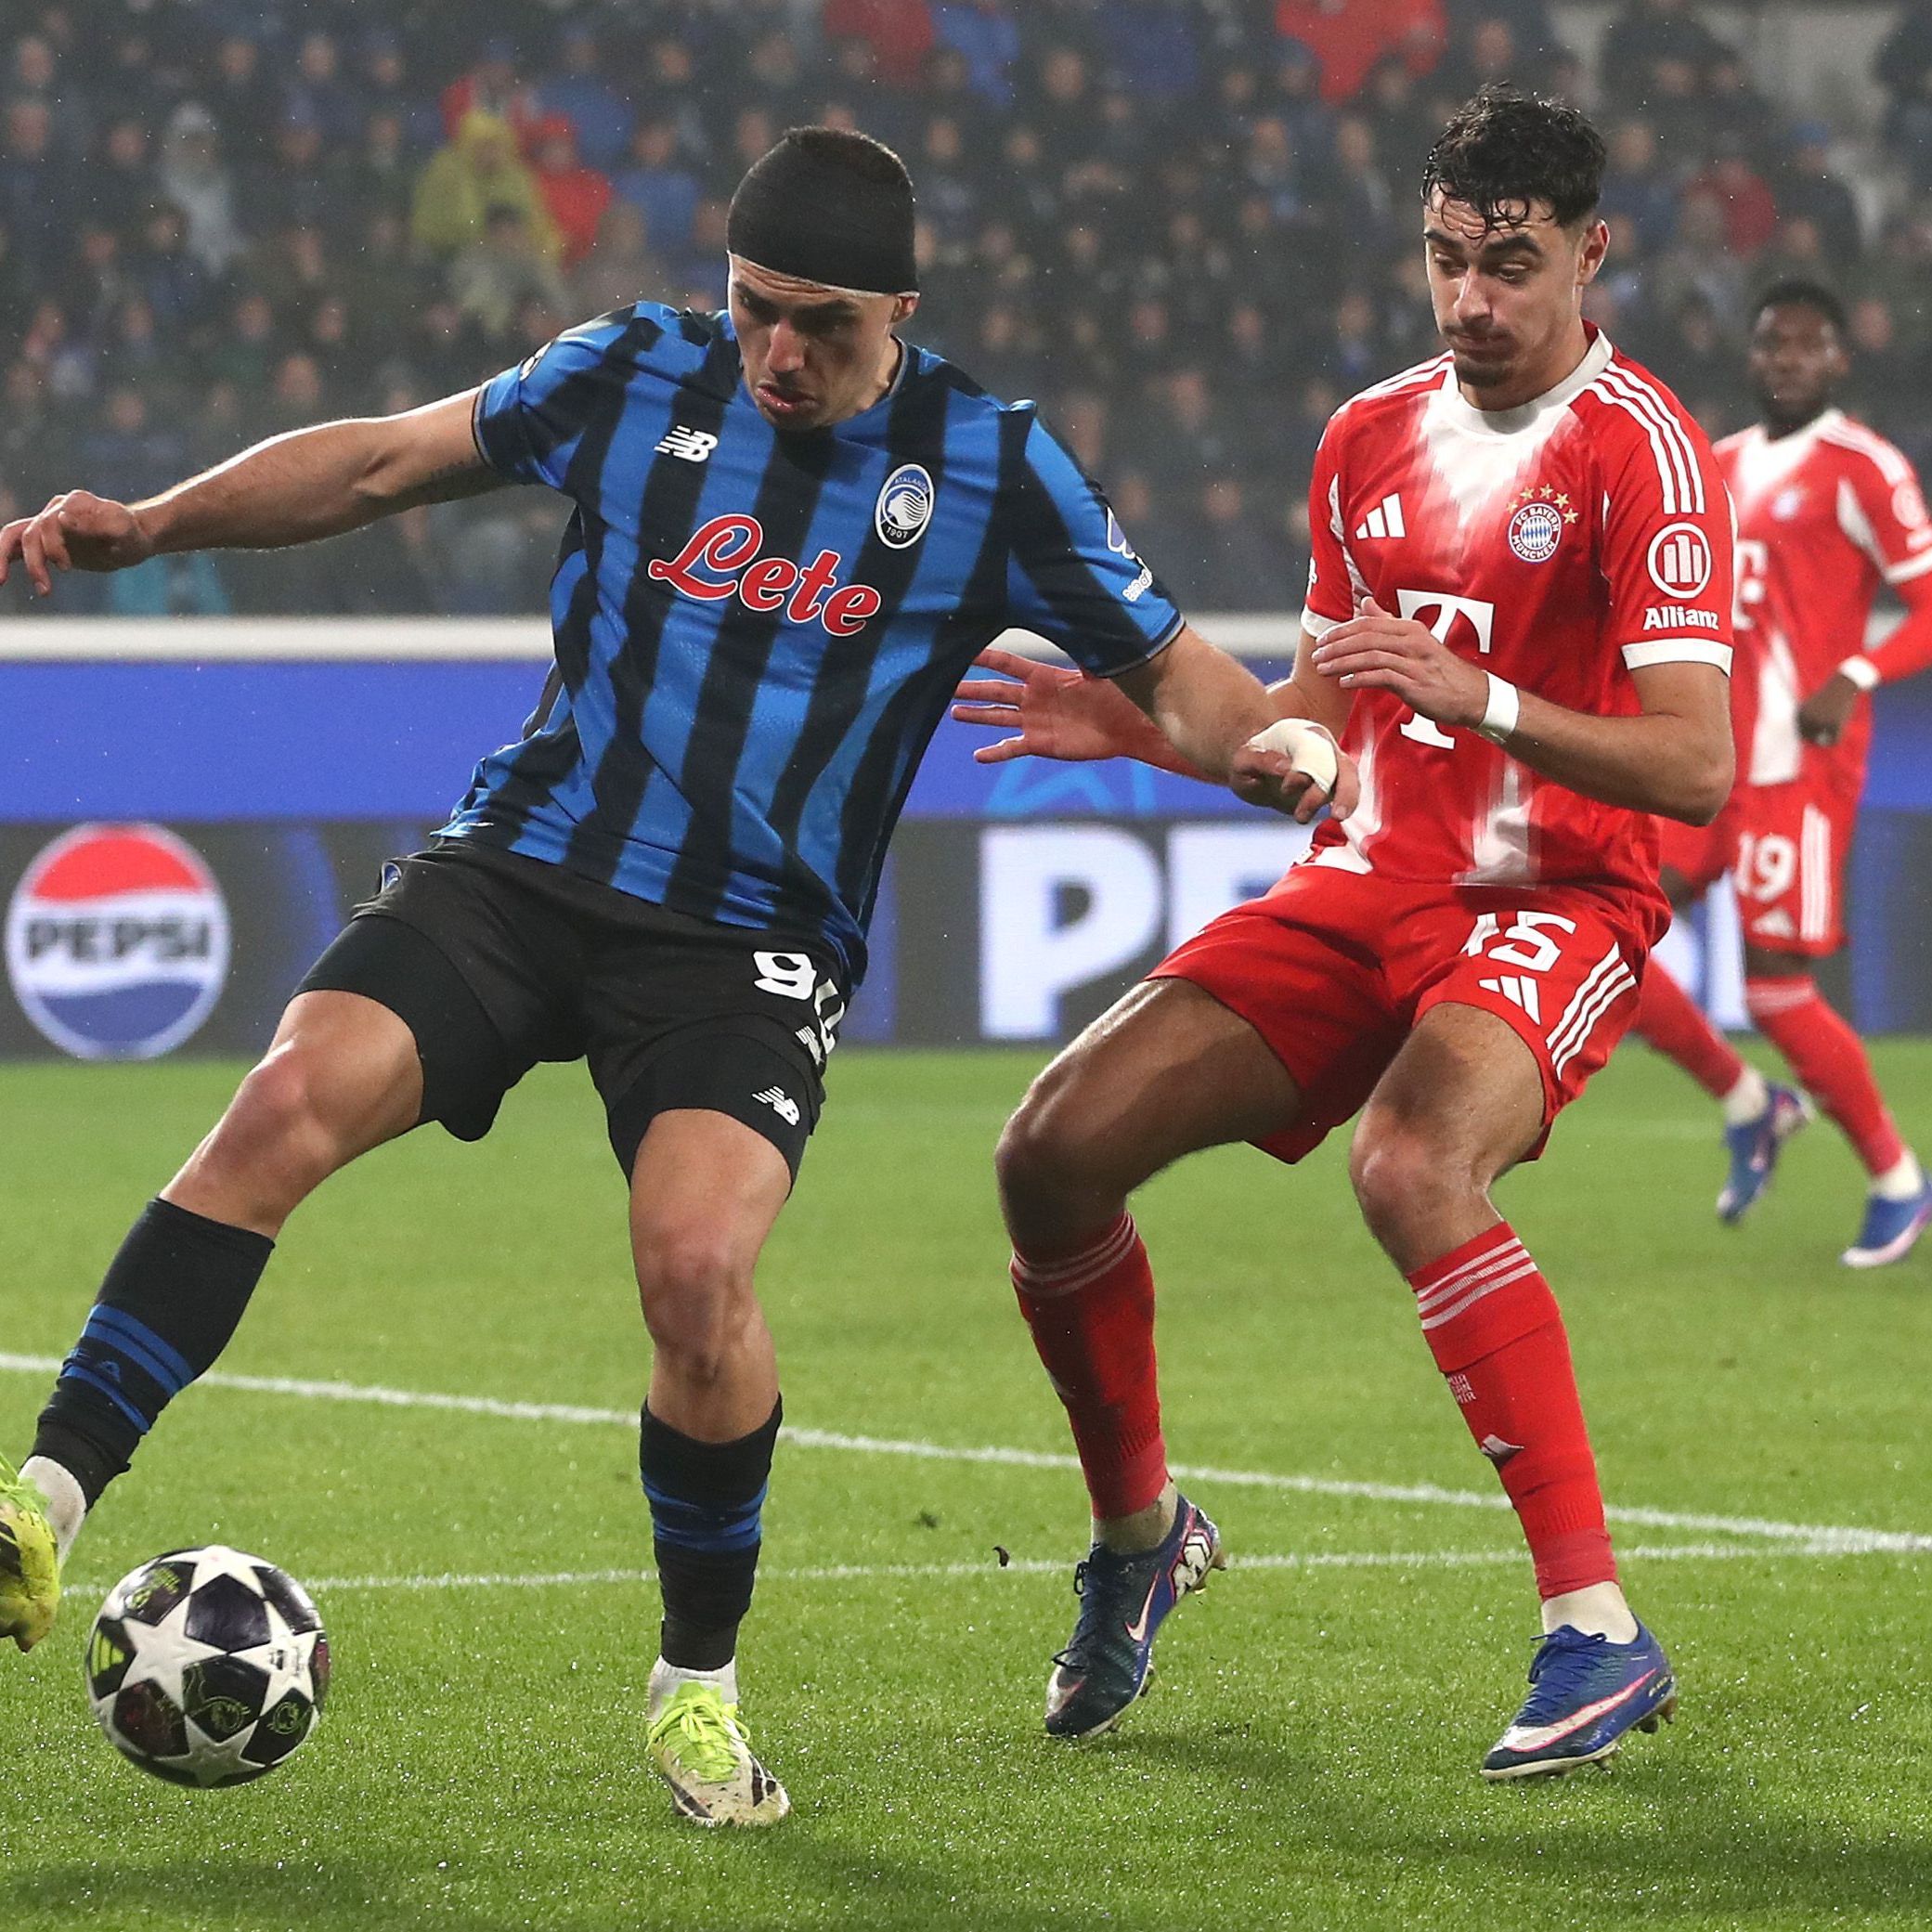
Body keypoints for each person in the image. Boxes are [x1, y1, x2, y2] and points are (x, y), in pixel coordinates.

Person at [0, 128, 1332, 1826]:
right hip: (528, 863)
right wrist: (149, 526)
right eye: (756, 306)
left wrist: (1276, 750)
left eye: (822, 324)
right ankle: (42, 1500)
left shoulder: (990, 466)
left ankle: (694, 1684)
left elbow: (1180, 673)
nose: (778, 351)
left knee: (697, 1272)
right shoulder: (632, 368)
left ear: (901, 314)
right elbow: (382, 465)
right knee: (282, 1105)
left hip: (746, 942)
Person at [950, 86, 1733, 1778]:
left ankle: (1596, 1628)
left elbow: (1695, 764)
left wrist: (1484, 697)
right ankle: (1141, 1535)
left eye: (1509, 266)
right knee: (1051, 1152)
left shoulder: (1642, 452)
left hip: (1552, 893)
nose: (1471, 299)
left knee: (1411, 1161)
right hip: (1368, 879)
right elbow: (1316, 729)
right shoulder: (1366, 435)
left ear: (1591, 256)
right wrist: (1150, 729)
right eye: (1446, 259)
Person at [1628, 280, 1932, 1263]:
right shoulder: (1714, 466)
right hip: (1704, 762)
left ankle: (1897, 1180)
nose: (1787, 360)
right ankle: (1749, 1101)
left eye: (1807, 345)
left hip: (1794, 765)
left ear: (1838, 359)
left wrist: (1854, 672)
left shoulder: (1863, 468)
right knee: (1609, 931)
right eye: (1771, 344)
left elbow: (1926, 603)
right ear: (1752, 355)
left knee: (1774, 989)